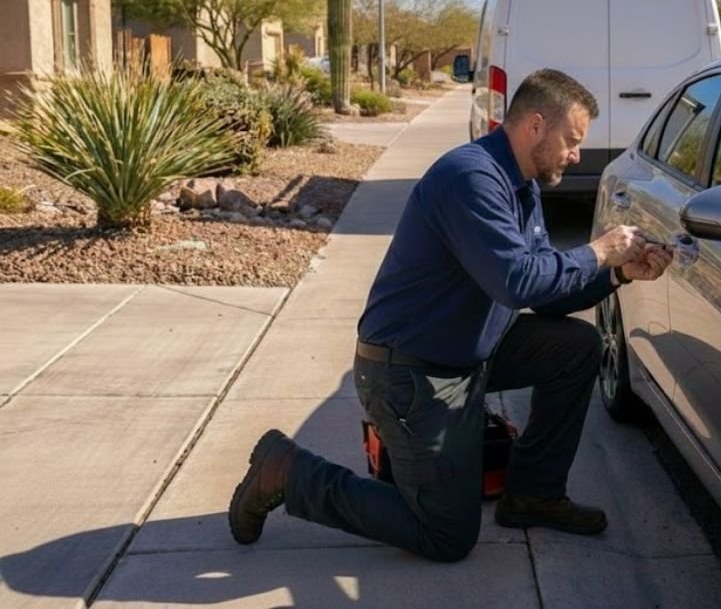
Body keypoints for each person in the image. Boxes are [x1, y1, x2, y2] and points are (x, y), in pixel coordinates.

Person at [228, 68, 673, 562]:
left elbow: (544, 293)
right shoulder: (471, 178)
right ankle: (287, 471)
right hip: (411, 374)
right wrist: (600, 251)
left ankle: (533, 494)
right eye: (571, 140)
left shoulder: (520, 186)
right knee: (446, 534)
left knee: (575, 347)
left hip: (470, 353)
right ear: (535, 126)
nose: (576, 154)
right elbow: (516, 281)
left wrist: (619, 275)